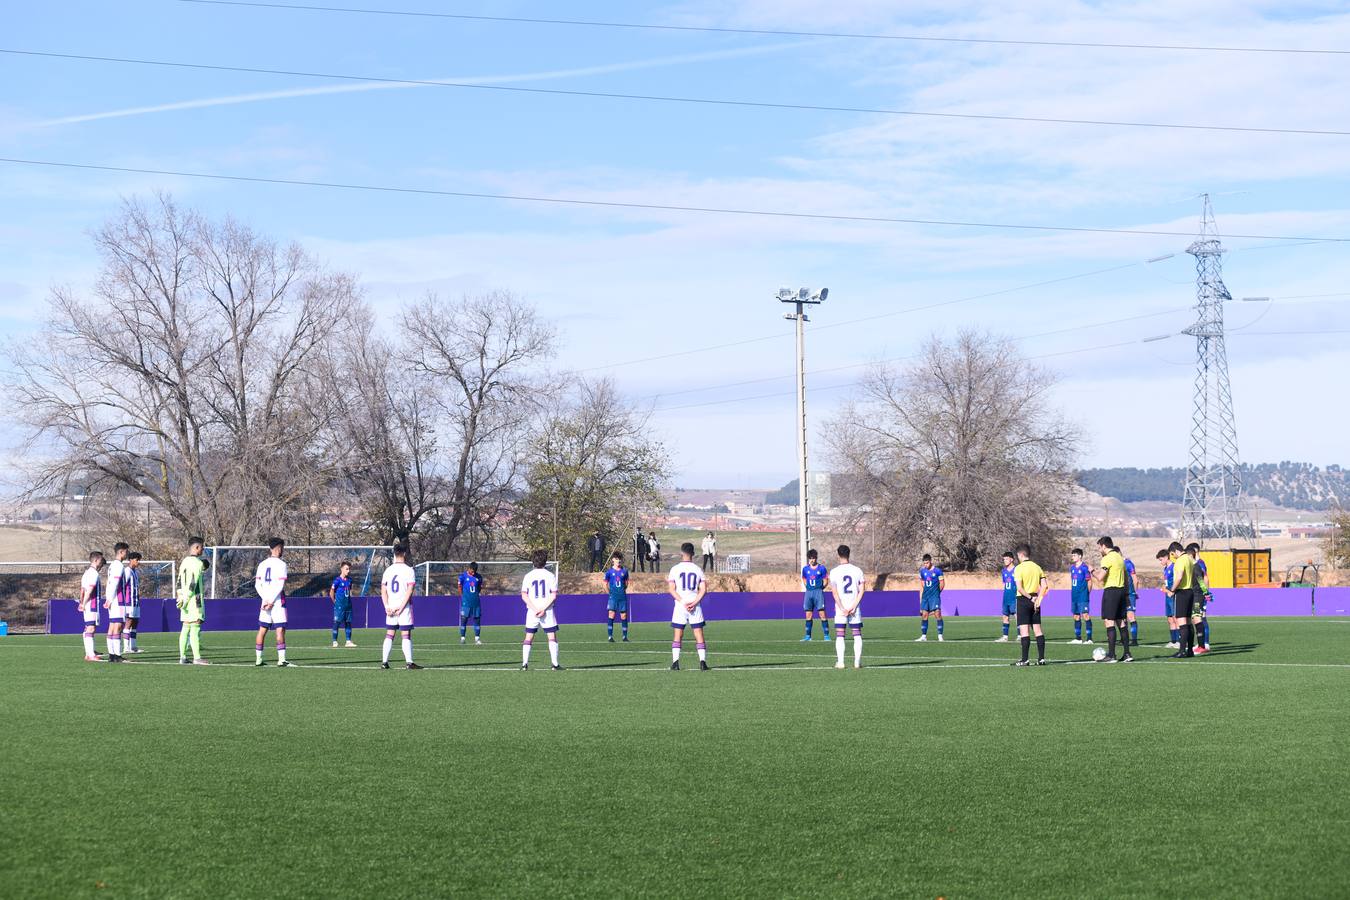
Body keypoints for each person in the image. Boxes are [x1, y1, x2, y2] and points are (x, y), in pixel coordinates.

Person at [667, 542, 709, 671]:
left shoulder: (675, 569)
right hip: (695, 605)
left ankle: (675, 662)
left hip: (681, 605)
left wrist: (683, 601)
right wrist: (695, 602)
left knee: (678, 634)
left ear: (681, 553)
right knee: (698, 633)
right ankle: (702, 662)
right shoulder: (698, 569)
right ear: (693, 554)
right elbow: (703, 589)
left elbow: (671, 589)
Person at [380, 544, 420, 669]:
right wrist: (402, 607)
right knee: (406, 635)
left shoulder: (388, 570)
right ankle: (409, 662)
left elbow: (383, 590)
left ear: (394, 553)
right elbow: (410, 590)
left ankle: (384, 662)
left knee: (389, 634)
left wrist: (386, 606)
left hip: (391, 607)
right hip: (403, 608)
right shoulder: (409, 570)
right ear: (405, 553)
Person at [520, 549, 562, 670]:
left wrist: (534, 609)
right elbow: (553, 595)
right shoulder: (550, 575)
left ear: (533, 562)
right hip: (547, 611)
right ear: (545, 561)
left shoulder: (528, 576)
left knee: (528, 637)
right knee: (552, 637)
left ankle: (524, 664)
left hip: (532, 611)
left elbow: (524, 595)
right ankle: (555, 664)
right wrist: (543, 609)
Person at [1094, 536, 1133, 663]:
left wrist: (1092, 571)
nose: (1099, 550)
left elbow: (1100, 577)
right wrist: (1126, 594)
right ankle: (1127, 653)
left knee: (1109, 622)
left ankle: (1111, 655)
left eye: (1099, 547)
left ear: (1104, 546)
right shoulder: (1119, 558)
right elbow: (1126, 578)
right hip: (1122, 591)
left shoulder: (1107, 558)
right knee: (1121, 622)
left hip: (1111, 591)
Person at [254, 537, 291, 667]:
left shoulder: (262, 564)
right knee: (280, 630)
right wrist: (271, 600)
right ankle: (281, 660)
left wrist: (265, 599)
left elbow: (257, 585)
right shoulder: (282, 564)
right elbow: (280, 585)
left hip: (265, 602)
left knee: (262, 630)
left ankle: (258, 659)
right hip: (277, 602)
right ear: (279, 548)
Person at [829, 544, 865, 669]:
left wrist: (842, 608)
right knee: (857, 634)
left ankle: (841, 662)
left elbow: (834, 592)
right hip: (854, 607)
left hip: (841, 608)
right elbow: (862, 590)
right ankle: (857, 662)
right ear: (849, 554)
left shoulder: (834, 572)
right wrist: (854, 606)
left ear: (838, 555)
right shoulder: (857, 570)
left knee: (840, 634)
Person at [1012, 544, 1048, 666]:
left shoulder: (1019, 568)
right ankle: (1041, 659)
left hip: (1023, 600)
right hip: (1035, 600)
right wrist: (1038, 599)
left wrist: (1030, 598)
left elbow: (1020, 588)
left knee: (1024, 631)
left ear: (1021, 555)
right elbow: (1044, 586)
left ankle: (1025, 659)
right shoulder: (1037, 567)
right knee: (1038, 630)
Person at [176, 537, 209, 665]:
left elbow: (179, 581)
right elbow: (193, 582)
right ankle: (197, 657)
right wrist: (187, 597)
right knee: (195, 627)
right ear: (196, 548)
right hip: (194, 600)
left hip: (183, 600)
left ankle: (183, 657)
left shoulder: (184, 561)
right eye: (202, 547)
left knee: (185, 628)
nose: (203, 549)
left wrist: (180, 597)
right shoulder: (197, 563)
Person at [1169, 541, 1197, 658]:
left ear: (1175, 551)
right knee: (1189, 622)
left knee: (1182, 622)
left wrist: (1172, 590)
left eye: (1172, 554)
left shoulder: (1180, 560)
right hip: (1190, 591)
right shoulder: (1190, 559)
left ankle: (1182, 651)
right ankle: (1189, 650)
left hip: (1182, 592)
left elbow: (1179, 577)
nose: (1173, 556)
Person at [103, 541, 130, 662]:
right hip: (117, 600)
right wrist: (109, 599)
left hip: (112, 599)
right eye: (126, 551)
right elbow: (114, 583)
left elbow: (109, 583)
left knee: (112, 626)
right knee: (118, 626)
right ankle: (117, 655)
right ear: (121, 552)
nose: (127, 554)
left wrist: (108, 598)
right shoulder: (119, 566)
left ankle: (112, 654)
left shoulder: (112, 565)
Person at [1186, 543, 1213, 654]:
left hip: (1198, 596)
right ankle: (1200, 644)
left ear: (1190, 555)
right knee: (1195, 618)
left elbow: (1201, 580)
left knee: (1197, 618)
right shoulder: (1191, 566)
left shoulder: (1196, 566)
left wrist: (1206, 592)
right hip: (1193, 595)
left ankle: (1202, 645)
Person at [79, 550, 105, 662]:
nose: (101, 562)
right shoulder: (93, 573)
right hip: (92, 604)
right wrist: (83, 604)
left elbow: (82, 590)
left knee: (88, 628)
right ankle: (90, 655)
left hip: (88, 604)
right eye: (100, 560)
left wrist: (81, 602)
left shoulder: (86, 573)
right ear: (95, 560)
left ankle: (89, 652)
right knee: (91, 628)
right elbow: (89, 591)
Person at [800, 548, 831, 641]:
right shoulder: (805, 569)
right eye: (810, 558)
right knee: (808, 615)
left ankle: (826, 635)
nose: (812, 560)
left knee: (822, 614)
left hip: (818, 592)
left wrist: (821, 588)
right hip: (809, 593)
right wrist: (807, 586)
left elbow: (826, 580)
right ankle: (808, 636)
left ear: (816, 558)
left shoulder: (822, 568)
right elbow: (804, 578)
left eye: (813, 558)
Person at [915, 554, 945, 642]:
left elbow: (942, 584)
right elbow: (922, 582)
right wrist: (924, 593)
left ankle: (940, 636)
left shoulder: (938, 571)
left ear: (930, 561)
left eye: (927, 563)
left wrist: (937, 593)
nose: (926, 565)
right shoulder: (922, 571)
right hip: (925, 596)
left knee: (937, 614)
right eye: (924, 563)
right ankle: (923, 636)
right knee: (924, 615)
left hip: (934, 596)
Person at [1068, 548, 1094, 645]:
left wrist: (1087, 593)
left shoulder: (1084, 568)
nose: (1073, 557)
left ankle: (1089, 639)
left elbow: (1090, 582)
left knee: (1085, 615)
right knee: (1076, 616)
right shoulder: (1072, 568)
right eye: (1072, 555)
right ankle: (1078, 638)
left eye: (1074, 555)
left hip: (1083, 596)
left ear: (1080, 556)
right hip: (1074, 596)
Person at [604, 552, 630, 642]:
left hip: (622, 596)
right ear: (613, 560)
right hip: (613, 597)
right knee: (612, 614)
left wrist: (622, 590)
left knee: (624, 616)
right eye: (616, 559)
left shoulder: (625, 571)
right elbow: (605, 584)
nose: (618, 560)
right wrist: (610, 593)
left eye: (619, 559)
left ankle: (624, 637)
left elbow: (626, 583)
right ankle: (610, 636)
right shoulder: (609, 572)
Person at [330, 561, 356, 648]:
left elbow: (349, 591)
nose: (348, 571)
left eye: (349, 569)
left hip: (348, 605)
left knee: (348, 623)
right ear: (342, 569)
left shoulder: (349, 580)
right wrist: (335, 602)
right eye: (346, 569)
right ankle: (334, 641)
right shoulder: (337, 581)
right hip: (339, 606)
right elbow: (331, 592)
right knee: (337, 623)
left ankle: (348, 641)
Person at [1158, 548, 1180, 649]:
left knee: (1176, 619)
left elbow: (1177, 581)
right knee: (1170, 619)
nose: (1160, 562)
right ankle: (1173, 641)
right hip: (1167, 595)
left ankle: (1180, 641)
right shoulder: (1165, 568)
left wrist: (1172, 591)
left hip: (1173, 595)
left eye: (1161, 559)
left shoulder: (1174, 567)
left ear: (1167, 557)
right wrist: (1164, 587)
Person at [458, 562, 483, 645]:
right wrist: (463, 596)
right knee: (464, 619)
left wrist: (475, 595)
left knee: (477, 619)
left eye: (474, 571)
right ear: (469, 568)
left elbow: (479, 588)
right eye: (472, 571)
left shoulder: (479, 577)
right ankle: (462, 638)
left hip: (476, 602)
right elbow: (459, 587)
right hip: (466, 602)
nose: (473, 573)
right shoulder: (463, 576)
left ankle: (477, 639)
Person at [123, 551, 143, 654]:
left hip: (135, 601)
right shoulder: (127, 571)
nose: (138, 562)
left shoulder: (135, 572)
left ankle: (133, 646)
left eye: (139, 560)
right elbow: (122, 586)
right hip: (129, 602)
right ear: (131, 560)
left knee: (135, 623)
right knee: (129, 622)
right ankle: (126, 648)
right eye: (137, 560)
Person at [997, 551, 1017, 642]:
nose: (1005, 561)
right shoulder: (1003, 571)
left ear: (1011, 559)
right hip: (1006, 598)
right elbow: (1004, 583)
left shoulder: (1017, 570)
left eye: (1006, 559)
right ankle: (1005, 637)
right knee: (1005, 616)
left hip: (1015, 597)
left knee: (1017, 617)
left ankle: (1020, 636)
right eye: (1004, 559)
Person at [1123, 551, 1140, 647]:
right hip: (1122, 594)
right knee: (1122, 618)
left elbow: (1135, 580)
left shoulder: (1128, 564)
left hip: (1129, 594)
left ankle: (1134, 640)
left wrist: (1135, 592)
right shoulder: (1118, 564)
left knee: (1131, 616)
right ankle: (1124, 639)